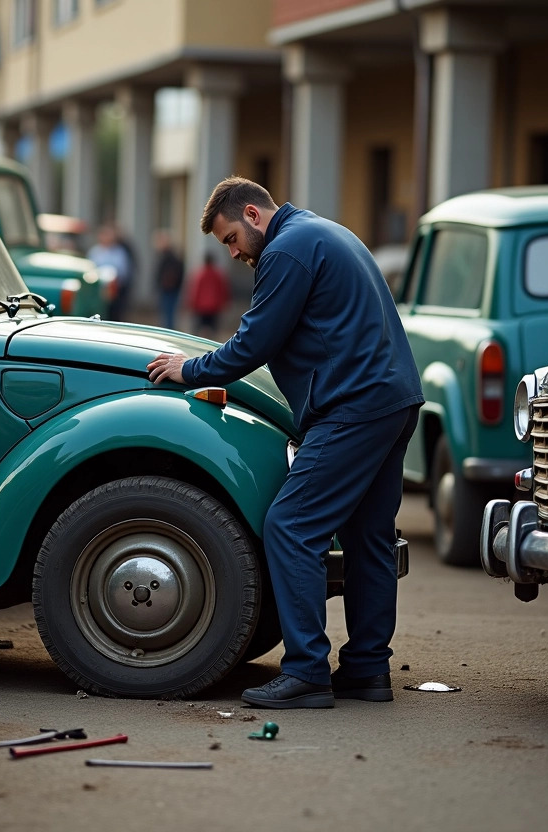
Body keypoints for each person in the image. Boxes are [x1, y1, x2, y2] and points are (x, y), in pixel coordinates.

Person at [147, 177, 424, 709]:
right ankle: (367, 671)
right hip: (393, 400)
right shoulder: (324, 233)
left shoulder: (287, 250)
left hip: (354, 407)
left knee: (291, 525)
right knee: (368, 537)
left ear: (253, 215)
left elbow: (254, 340)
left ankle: (305, 673)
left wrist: (189, 369)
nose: (231, 254)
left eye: (230, 239)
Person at [87, 224, 132, 321]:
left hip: (114, 291)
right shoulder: (95, 251)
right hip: (97, 291)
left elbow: (123, 271)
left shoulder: (119, 252)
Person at [186, 252, 229, 339]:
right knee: (213, 328)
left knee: (199, 328)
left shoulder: (200, 274)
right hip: (214, 306)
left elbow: (195, 290)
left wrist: (191, 303)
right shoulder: (218, 274)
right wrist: (224, 302)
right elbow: (222, 290)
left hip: (201, 307)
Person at [153, 229, 185, 330]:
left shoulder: (169, 257)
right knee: (167, 314)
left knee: (168, 315)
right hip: (168, 289)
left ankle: (168, 331)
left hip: (169, 289)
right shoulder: (167, 256)